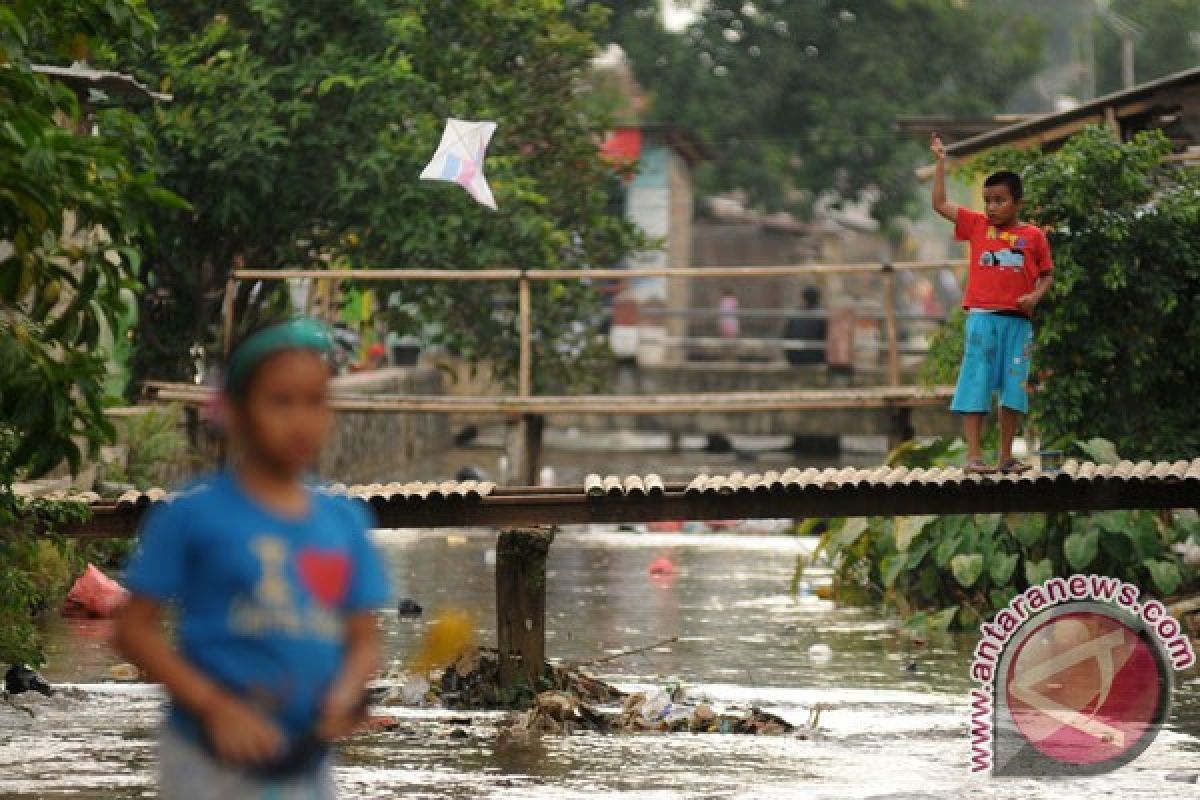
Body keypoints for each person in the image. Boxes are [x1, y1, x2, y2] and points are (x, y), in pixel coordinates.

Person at [114, 317, 391, 799]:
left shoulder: (345, 523)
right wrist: (214, 706)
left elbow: (363, 641)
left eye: (315, 401)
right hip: (206, 755)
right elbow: (133, 629)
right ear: (236, 412)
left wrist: (346, 693)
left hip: (306, 759)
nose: (300, 420)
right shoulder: (193, 516)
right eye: (280, 401)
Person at [930, 133, 1054, 474]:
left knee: (1014, 386)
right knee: (976, 382)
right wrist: (941, 163)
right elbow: (940, 204)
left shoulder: (1034, 236)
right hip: (982, 320)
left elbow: (1047, 275)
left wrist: (1034, 297)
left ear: (1018, 203)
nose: (992, 207)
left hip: (1017, 321)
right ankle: (973, 457)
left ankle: (1006, 457)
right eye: (988, 200)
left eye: (1000, 200)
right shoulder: (976, 225)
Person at [783, 286, 828, 366]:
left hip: (794, 358)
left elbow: (786, 335)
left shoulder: (795, 313)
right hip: (815, 358)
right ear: (818, 298)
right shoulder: (822, 314)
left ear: (803, 298)